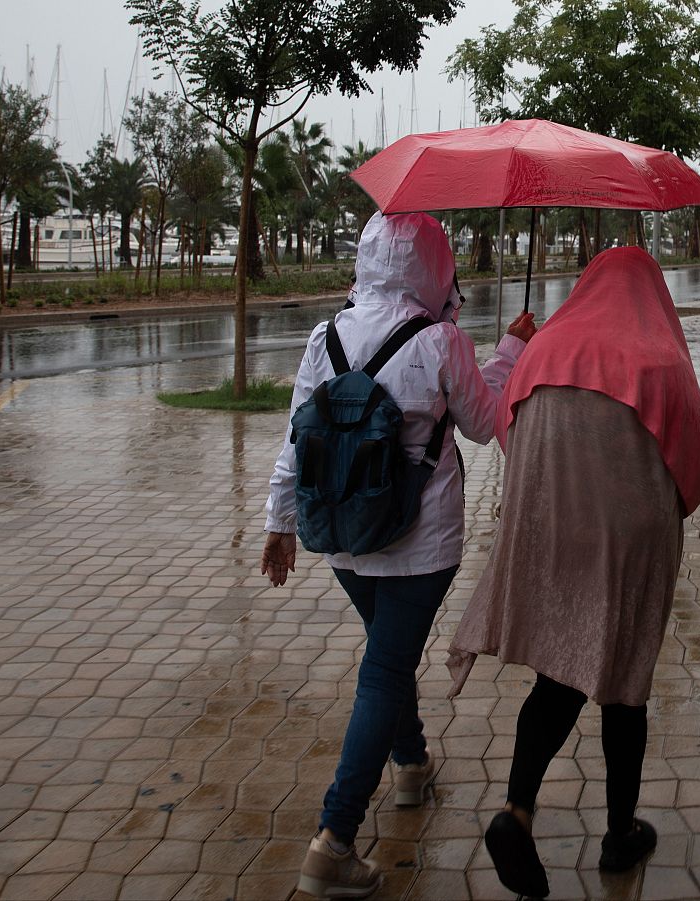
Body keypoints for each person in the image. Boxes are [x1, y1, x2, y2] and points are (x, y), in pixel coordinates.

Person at [260, 211, 537, 901]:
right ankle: (334, 839)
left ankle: (410, 763)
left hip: (344, 538)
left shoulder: (326, 335)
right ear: (433, 265)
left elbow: (298, 434)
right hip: (423, 543)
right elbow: (483, 423)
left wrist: (280, 522)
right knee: (385, 667)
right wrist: (508, 348)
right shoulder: (440, 339)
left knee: (387, 653)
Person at [446, 247, 700, 899]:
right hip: (631, 544)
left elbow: (510, 431)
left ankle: (517, 809)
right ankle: (618, 832)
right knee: (625, 682)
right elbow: (698, 456)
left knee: (562, 671)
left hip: (553, 534)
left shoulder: (544, 350)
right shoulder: (658, 359)